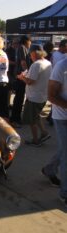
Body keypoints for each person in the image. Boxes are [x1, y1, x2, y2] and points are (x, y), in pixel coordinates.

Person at [43, 57, 67, 207]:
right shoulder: (61, 67)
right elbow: (51, 96)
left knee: (64, 150)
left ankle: (49, 169)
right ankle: (64, 194)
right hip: (63, 118)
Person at [17, 44, 52, 146]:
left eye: (30, 54)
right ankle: (44, 133)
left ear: (34, 53)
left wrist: (21, 77)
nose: (30, 56)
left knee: (31, 120)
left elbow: (30, 81)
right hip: (42, 95)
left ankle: (35, 140)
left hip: (34, 97)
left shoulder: (36, 64)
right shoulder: (47, 62)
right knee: (36, 116)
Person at [10, 35, 32, 127]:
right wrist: (27, 74)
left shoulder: (20, 48)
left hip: (20, 76)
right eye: (30, 41)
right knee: (19, 98)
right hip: (21, 77)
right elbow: (23, 63)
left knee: (19, 98)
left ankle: (15, 118)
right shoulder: (22, 47)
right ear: (27, 41)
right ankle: (15, 119)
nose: (30, 43)